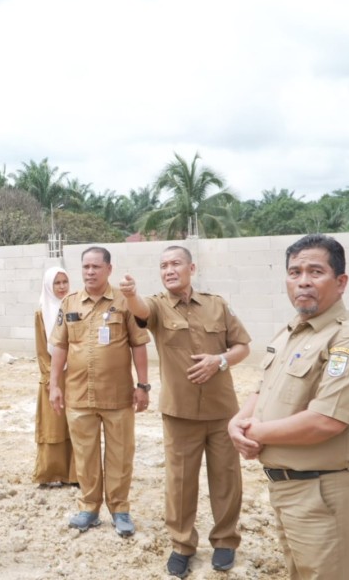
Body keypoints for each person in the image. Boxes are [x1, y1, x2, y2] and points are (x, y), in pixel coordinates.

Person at [228, 234, 349, 580]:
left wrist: (255, 433)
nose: (303, 281)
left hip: (327, 492)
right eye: (294, 272)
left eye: (316, 272)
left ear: (341, 282)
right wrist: (237, 423)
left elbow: (326, 421)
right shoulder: (291, 333)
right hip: (289, 489)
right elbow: (263, 389)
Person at [119, 245, 250, 577]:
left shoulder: (217, 305)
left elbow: (243, 347)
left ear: (191, 268)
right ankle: (182, 545)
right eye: (163, 266)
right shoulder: (158, 307)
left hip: (222, 412)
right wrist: (131, 294)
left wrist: (218, 361)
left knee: (226, 480)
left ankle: (224, 542)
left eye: (175, 263)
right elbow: (141, 311)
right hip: (179, 414)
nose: (169, 270)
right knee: (180, 483)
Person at [49, 246, 151, 538]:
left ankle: (120, 510)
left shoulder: (124, 302)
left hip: (118, 395)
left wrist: (143, 385)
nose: (90, 272)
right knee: (85, 454)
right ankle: (89, 509)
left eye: (96, 267)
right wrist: (55, 385)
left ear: (109, 269)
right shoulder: (69, 304)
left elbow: (139, 344)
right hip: (78, 394)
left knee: (120, 454)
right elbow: (60, 346)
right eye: (85, 267)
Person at [33, 267, 79, 487]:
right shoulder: (42, 313)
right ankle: (52, 473)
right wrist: (50, 380)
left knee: (78, 423)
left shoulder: (76, 307)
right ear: (49, 286)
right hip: (53, 376)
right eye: (57, 283)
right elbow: (43, 350)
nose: (61, 287)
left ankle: (76, 474)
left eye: (65, 282)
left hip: (77, 374)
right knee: (53, 423)